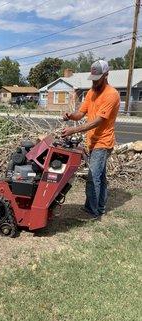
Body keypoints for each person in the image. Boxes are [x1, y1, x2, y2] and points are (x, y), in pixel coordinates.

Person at [61, 60, 120, 218]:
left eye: (98, 78)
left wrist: (73, 129)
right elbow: (81, 113)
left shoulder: (112, 94)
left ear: (106, 75)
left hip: (103, 142)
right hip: (92, 142)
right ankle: (99, 208)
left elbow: (98, 121)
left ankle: (91, 211)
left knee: (93, 177)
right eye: (93, 77)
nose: (94, 81)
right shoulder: (91, 93)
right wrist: (70, 116)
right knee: (100, 176)